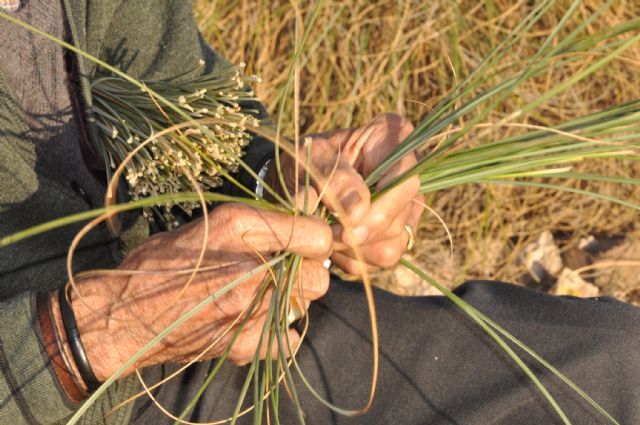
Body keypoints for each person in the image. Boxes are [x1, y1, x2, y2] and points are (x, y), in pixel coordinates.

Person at [1, 1, 639, 424]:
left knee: (617, 365)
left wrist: (281, 178)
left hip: (220, 345)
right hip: (63, 386)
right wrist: (84, 337)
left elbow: (185, 99)